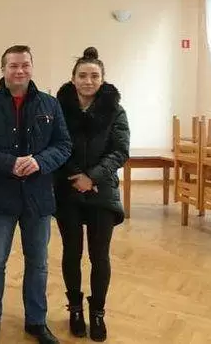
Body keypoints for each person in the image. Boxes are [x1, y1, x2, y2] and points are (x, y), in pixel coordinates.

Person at [0, 45, 72, 344]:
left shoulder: (50, 105)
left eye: (25, 65)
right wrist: (9, 163)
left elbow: (64, 145)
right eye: (13, 66)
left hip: (38, 198)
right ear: (3, 69)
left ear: (31, 67)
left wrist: (39, 161)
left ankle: (36, 321)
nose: (20, 70)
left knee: (38, 263)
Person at [54, 47, 128, 343]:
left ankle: (97, 312)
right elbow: (55, 145)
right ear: (73, 79)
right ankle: (75, 308)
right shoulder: (59, 108)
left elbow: (120, 151)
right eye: (82, 75)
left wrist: (92, 177)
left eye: (94, 76)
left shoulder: (116, 110)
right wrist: (76, 176)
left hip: (102, 191)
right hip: (68, 188)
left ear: (102, 79)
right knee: (71, 252)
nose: (88, 81)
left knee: (99, 255)